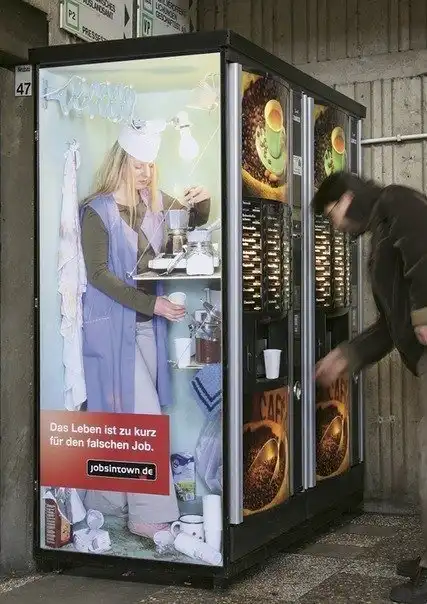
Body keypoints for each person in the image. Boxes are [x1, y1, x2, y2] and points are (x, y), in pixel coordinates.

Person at [80, 123, 211, 541]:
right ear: (120, 163)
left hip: (146, 330)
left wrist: (203, 202)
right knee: (144, 418)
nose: (146, 173)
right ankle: (148, 515)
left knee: (122, 420)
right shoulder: (96, 212)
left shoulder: (154, 205)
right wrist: (152, 304)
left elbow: (189, 223)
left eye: (151, 166)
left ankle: (106, 507)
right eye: (138, 165)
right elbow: (98, 275)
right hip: (109, 330)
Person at [312, 172, 427, 604]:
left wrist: (424, 314)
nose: (338, 225)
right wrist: (349, 354)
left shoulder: (397, 202)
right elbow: (389, 323)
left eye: (333, 214)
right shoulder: (380, 229)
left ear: (347, 199)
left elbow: (424, 249)